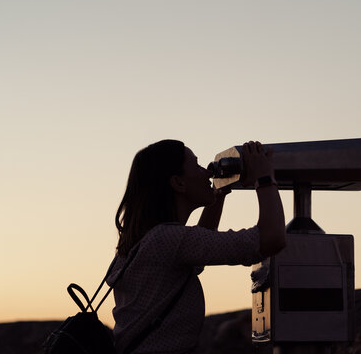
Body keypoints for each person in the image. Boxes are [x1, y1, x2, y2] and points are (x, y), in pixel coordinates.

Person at [106, 139, 286, 354]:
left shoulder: (145, 240)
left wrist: (218, 196)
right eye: (198, 165)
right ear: (179, 183)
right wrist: (264, 177)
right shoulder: (169, 239)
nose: (207, 173)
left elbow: (197, 253)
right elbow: (272, 238)